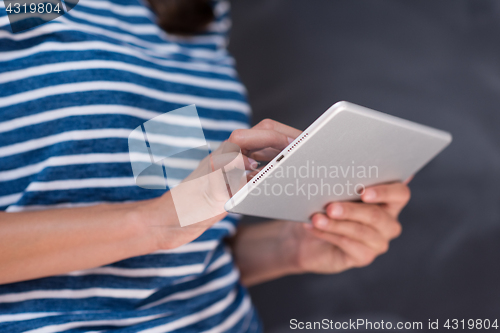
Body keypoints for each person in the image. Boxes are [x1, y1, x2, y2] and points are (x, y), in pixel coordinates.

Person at [0, 0, 409, 331]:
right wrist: (155, 222)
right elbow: (162, 222)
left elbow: (175, 244)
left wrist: (290, 247)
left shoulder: (199, 13)